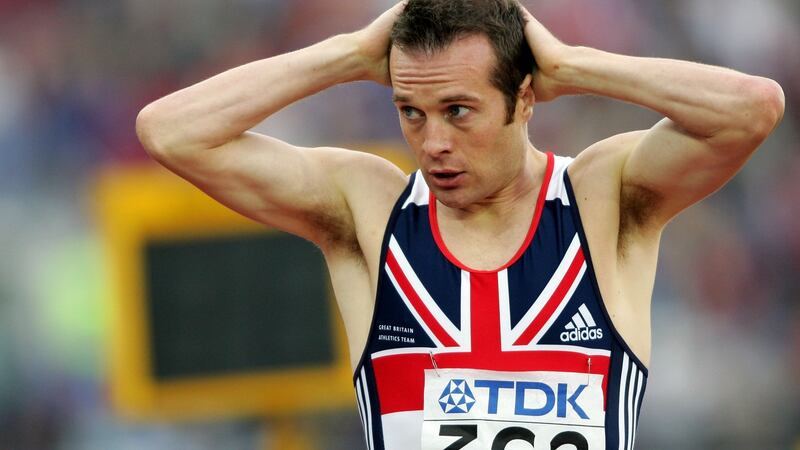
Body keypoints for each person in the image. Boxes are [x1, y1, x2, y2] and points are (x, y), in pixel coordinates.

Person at [135, 0, 784, 448]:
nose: (433, 141)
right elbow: (170, 132)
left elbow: (752, 108)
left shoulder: (601, 199)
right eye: (411, 112)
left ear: (525, 97)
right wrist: (348, 53)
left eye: (458, 110)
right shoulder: (371, 212)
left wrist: (573, 64)